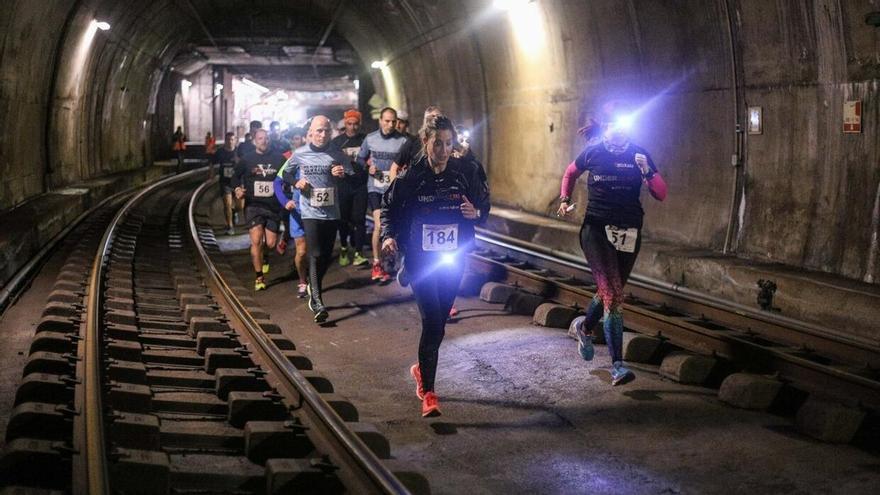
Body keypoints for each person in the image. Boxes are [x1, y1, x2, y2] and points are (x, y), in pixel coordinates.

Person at [381, 114, 490, 417]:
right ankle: (429, 392)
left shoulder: (464, 171)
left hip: (453, 257)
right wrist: (388, 236)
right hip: (420, 260)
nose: (443, 150)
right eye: (437, 143)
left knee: (440, 322)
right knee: (432, 321)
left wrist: (476, 212)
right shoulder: (410, 177)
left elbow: (484, 204)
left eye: (448, 143)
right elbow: (388, 207)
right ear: (426, 142)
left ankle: (420, 370)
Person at [557, 106, 667, 385]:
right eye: (614, 125)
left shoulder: (639, 154)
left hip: (630, 231)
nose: (619, 130)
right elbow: (570, 173)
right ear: (606, 128)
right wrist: (563, 200)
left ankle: (585, 327)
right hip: (596, 230)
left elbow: (661, 194)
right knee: (614, 295)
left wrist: (647, 172)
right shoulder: (593, 152)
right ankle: (617, 364)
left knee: (611, 291)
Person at [281, 116, 351, 322]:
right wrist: (296, 182)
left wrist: (342, 174)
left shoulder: (337, 153)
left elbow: (353, 175)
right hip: (310, 212)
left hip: (331, 212)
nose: (323, 135)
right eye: (319, 131)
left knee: (326, 256)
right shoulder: (300, 154)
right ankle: (318, 301)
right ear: (310, 132)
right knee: (315, 253)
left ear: (331, 133)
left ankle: (314, 287)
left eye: (326, 131)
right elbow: (285, 174)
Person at [233, 128, 287, 291]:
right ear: (255, 140)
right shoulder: (247, 159)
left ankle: (266, 257)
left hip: (273, 206)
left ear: (269, 140)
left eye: (266, 138)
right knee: (256, 241)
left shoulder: (279, 159)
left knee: (270, 244)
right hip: (253, 205)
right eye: (260, 138)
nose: (263, 141)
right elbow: (235, 176)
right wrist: (237, 189)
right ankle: (259, 278)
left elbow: (288, 175)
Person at [358, 107, 407, 282]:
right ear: (380, 120)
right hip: (376, 188)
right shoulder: (370, 139)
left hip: (394, 189)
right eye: (387, 121)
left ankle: (395, 260)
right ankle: (377, 264)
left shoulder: (402, 141)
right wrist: (367, 167)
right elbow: (360, 159)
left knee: (397, 225)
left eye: (393, 121)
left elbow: (409, 162)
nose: (390, 124)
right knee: (379, 225)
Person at [330, 109, 368, 267]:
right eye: (349, 124)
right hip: (343, 185)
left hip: (360, 184)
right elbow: (329, 161)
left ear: (360, 124)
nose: (352, 127)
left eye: (355, 124)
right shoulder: (337, 142)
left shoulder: (366, 139)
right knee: (343, 219)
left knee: (359, 219)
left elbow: (373, 156)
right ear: (345, 124)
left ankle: (359, 252)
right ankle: (344, 247)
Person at [275, 145, 309, 299]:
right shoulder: (295, 157)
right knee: (301, 252)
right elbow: (277, 182)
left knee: (317, 251)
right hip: (298, 212)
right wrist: (285, 201)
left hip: (319, 212)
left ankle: (315, 282)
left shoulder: (325, 156)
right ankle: (303, 281)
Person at [212, 132, 242, 235]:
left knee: (240, 206)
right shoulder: (220, 152)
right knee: (227, 204)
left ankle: (235, 212)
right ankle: (230, 226)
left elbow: (246, 164)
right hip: (225, 182)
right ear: (225, 141)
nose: (230, 141)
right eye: (228, 139)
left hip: (238, 182)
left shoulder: (239, 151)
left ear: (235, 140)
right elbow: (212, 162)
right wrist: (211, 174)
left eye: (232, 139)